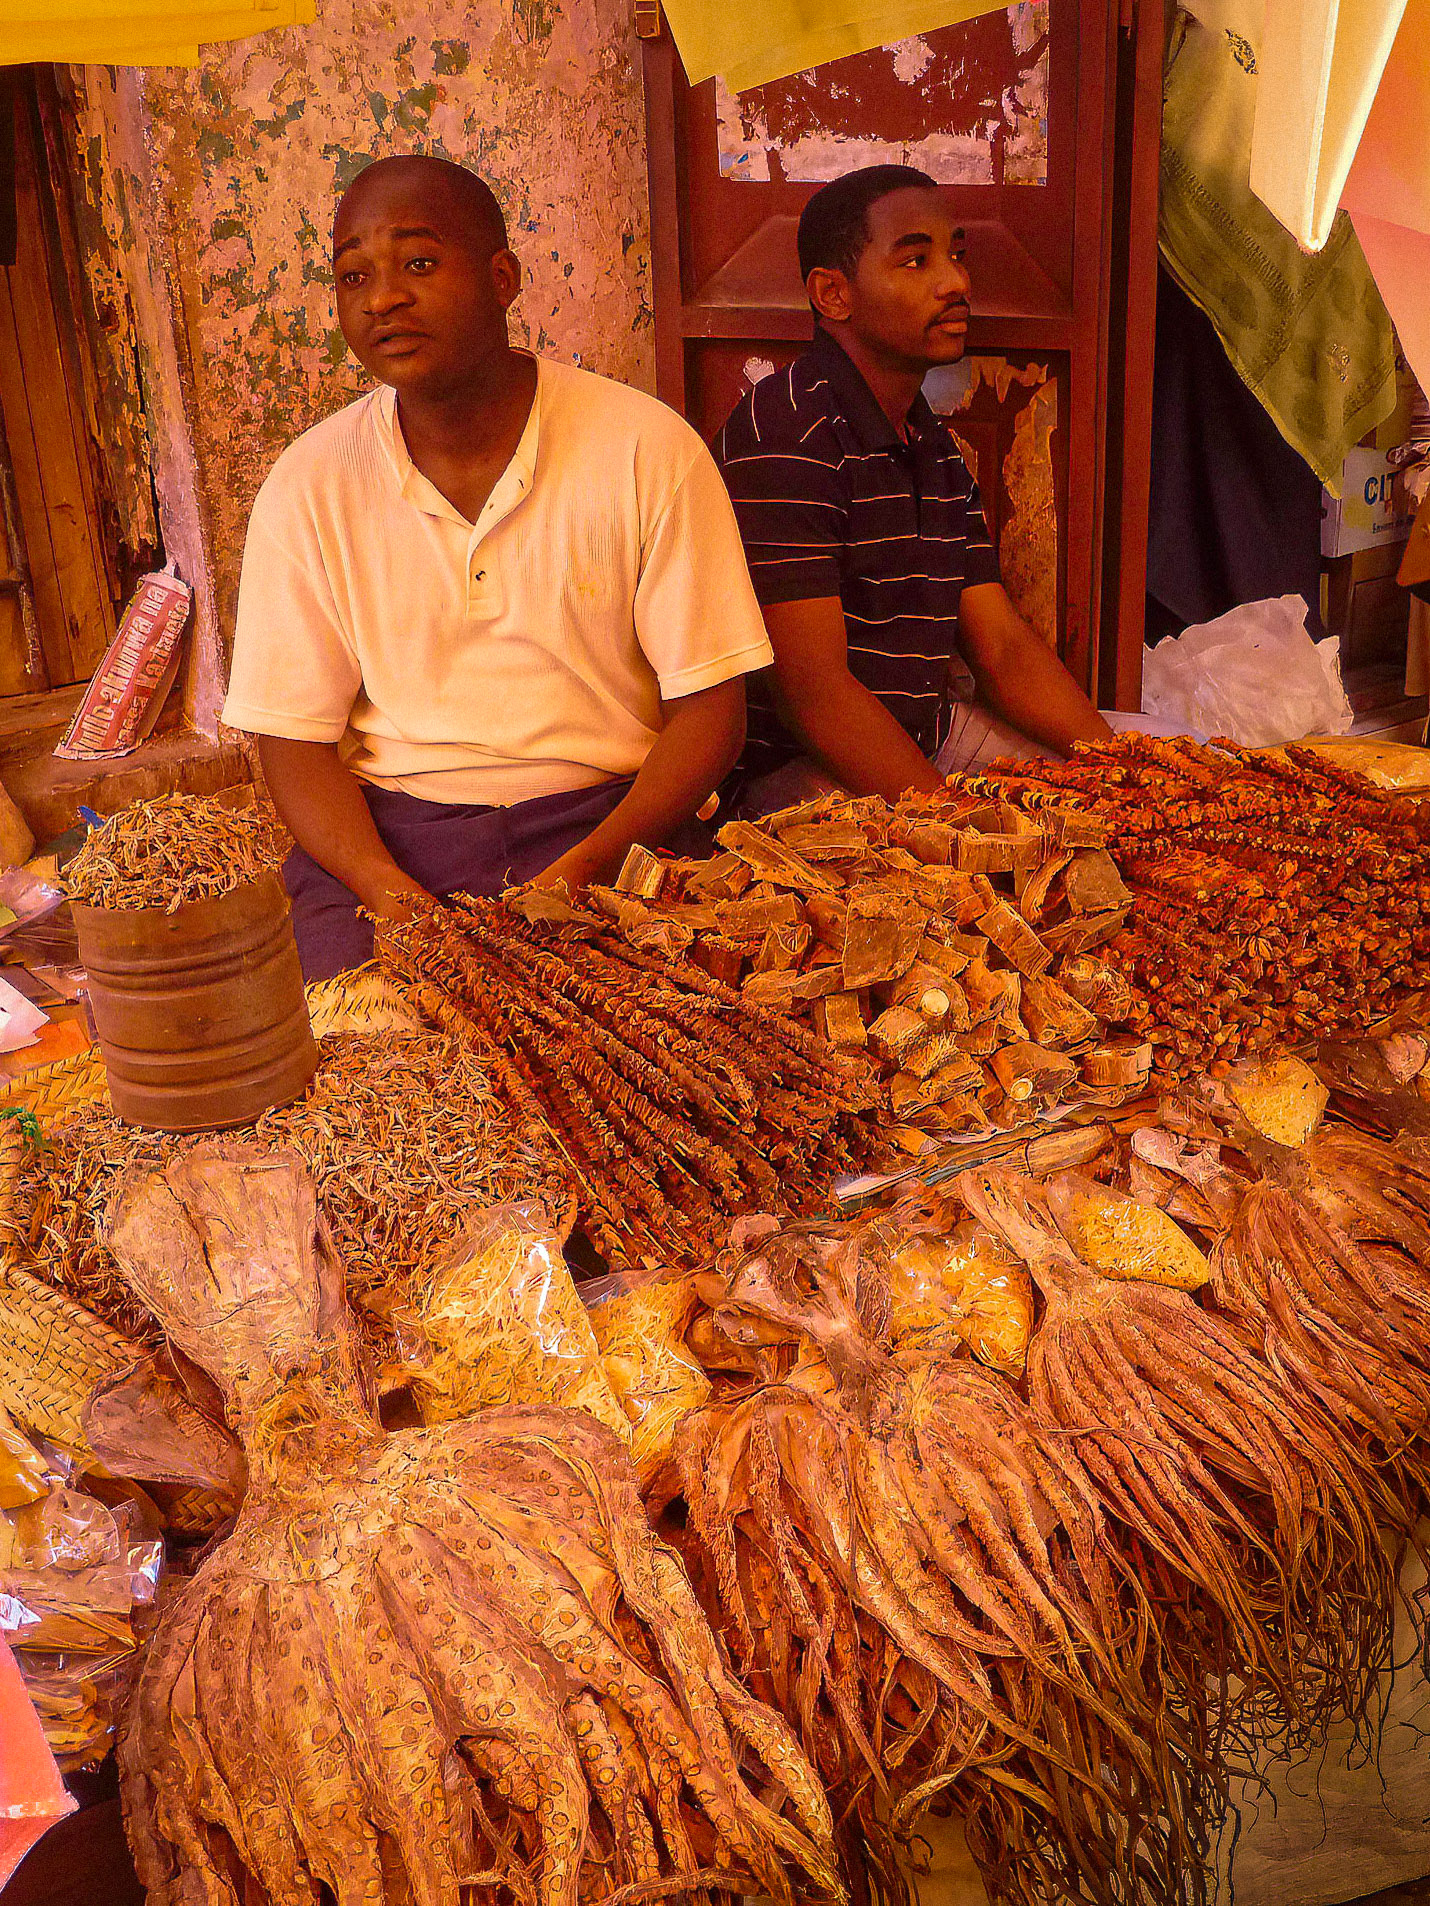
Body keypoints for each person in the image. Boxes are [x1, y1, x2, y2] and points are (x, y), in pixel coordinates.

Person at [223, 155, 773, 981]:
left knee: (671, 1056)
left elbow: (712, 711)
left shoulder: (644, 447)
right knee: (356, 1066)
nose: (382, 299)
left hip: (612, 827)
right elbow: (293, 743)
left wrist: (587, 867)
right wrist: (388, 892)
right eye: (351, 276)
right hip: (394, 842)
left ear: (502, 277)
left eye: (417, 262)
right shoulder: (310, 484)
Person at [713, 165, 1111, 812]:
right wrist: (960, 828)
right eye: (915, 261)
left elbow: (1002, 648)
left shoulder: (931, 444)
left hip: (925, 738)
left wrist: (1125, 773)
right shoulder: (787, 430)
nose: (956, 282)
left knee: (1109, 821)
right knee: (1010, 878)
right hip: (796, 770)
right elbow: (813, 695)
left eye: (955, 254)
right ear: (833, 295)